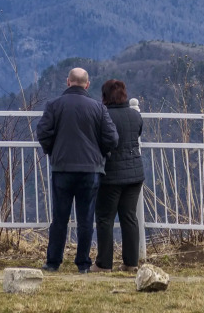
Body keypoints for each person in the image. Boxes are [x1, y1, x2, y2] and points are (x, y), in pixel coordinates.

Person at [36, 67, 118, 273]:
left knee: (60, 218)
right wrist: (100, 154)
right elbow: (112, 139)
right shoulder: (98, 108)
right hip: (90, 170)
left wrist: (53, 151)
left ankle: (53, 262)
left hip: (62, 168)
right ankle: (83, 263)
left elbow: (43, 133)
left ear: (68, 82)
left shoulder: (54, 106)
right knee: (86, 219)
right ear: (87, 84)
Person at [95, 79, 144, 272]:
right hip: (135, 173)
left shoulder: (103, 115)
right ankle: (131, 263)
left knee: (105, 218)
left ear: (105, 95)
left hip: (111, 174)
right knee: (129, 217)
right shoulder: (135, 115)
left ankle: (104, 263)